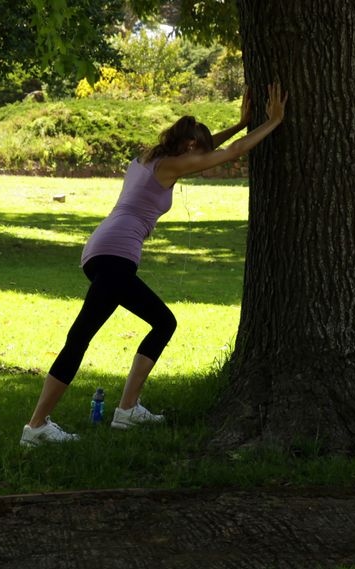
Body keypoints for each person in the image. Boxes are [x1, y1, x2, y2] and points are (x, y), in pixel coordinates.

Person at [20, 83, 289, 447]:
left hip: (101, 250)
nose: (200, 155)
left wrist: (240, 123)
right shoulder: (170, 165)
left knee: (157, 323)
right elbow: (228, 153)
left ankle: (126, 411)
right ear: (190, 146)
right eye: (199, 148)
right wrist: (272, 122)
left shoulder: (149, 158)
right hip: (116, 255)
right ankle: (38, 426)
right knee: (85, 336)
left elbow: (211, 150)